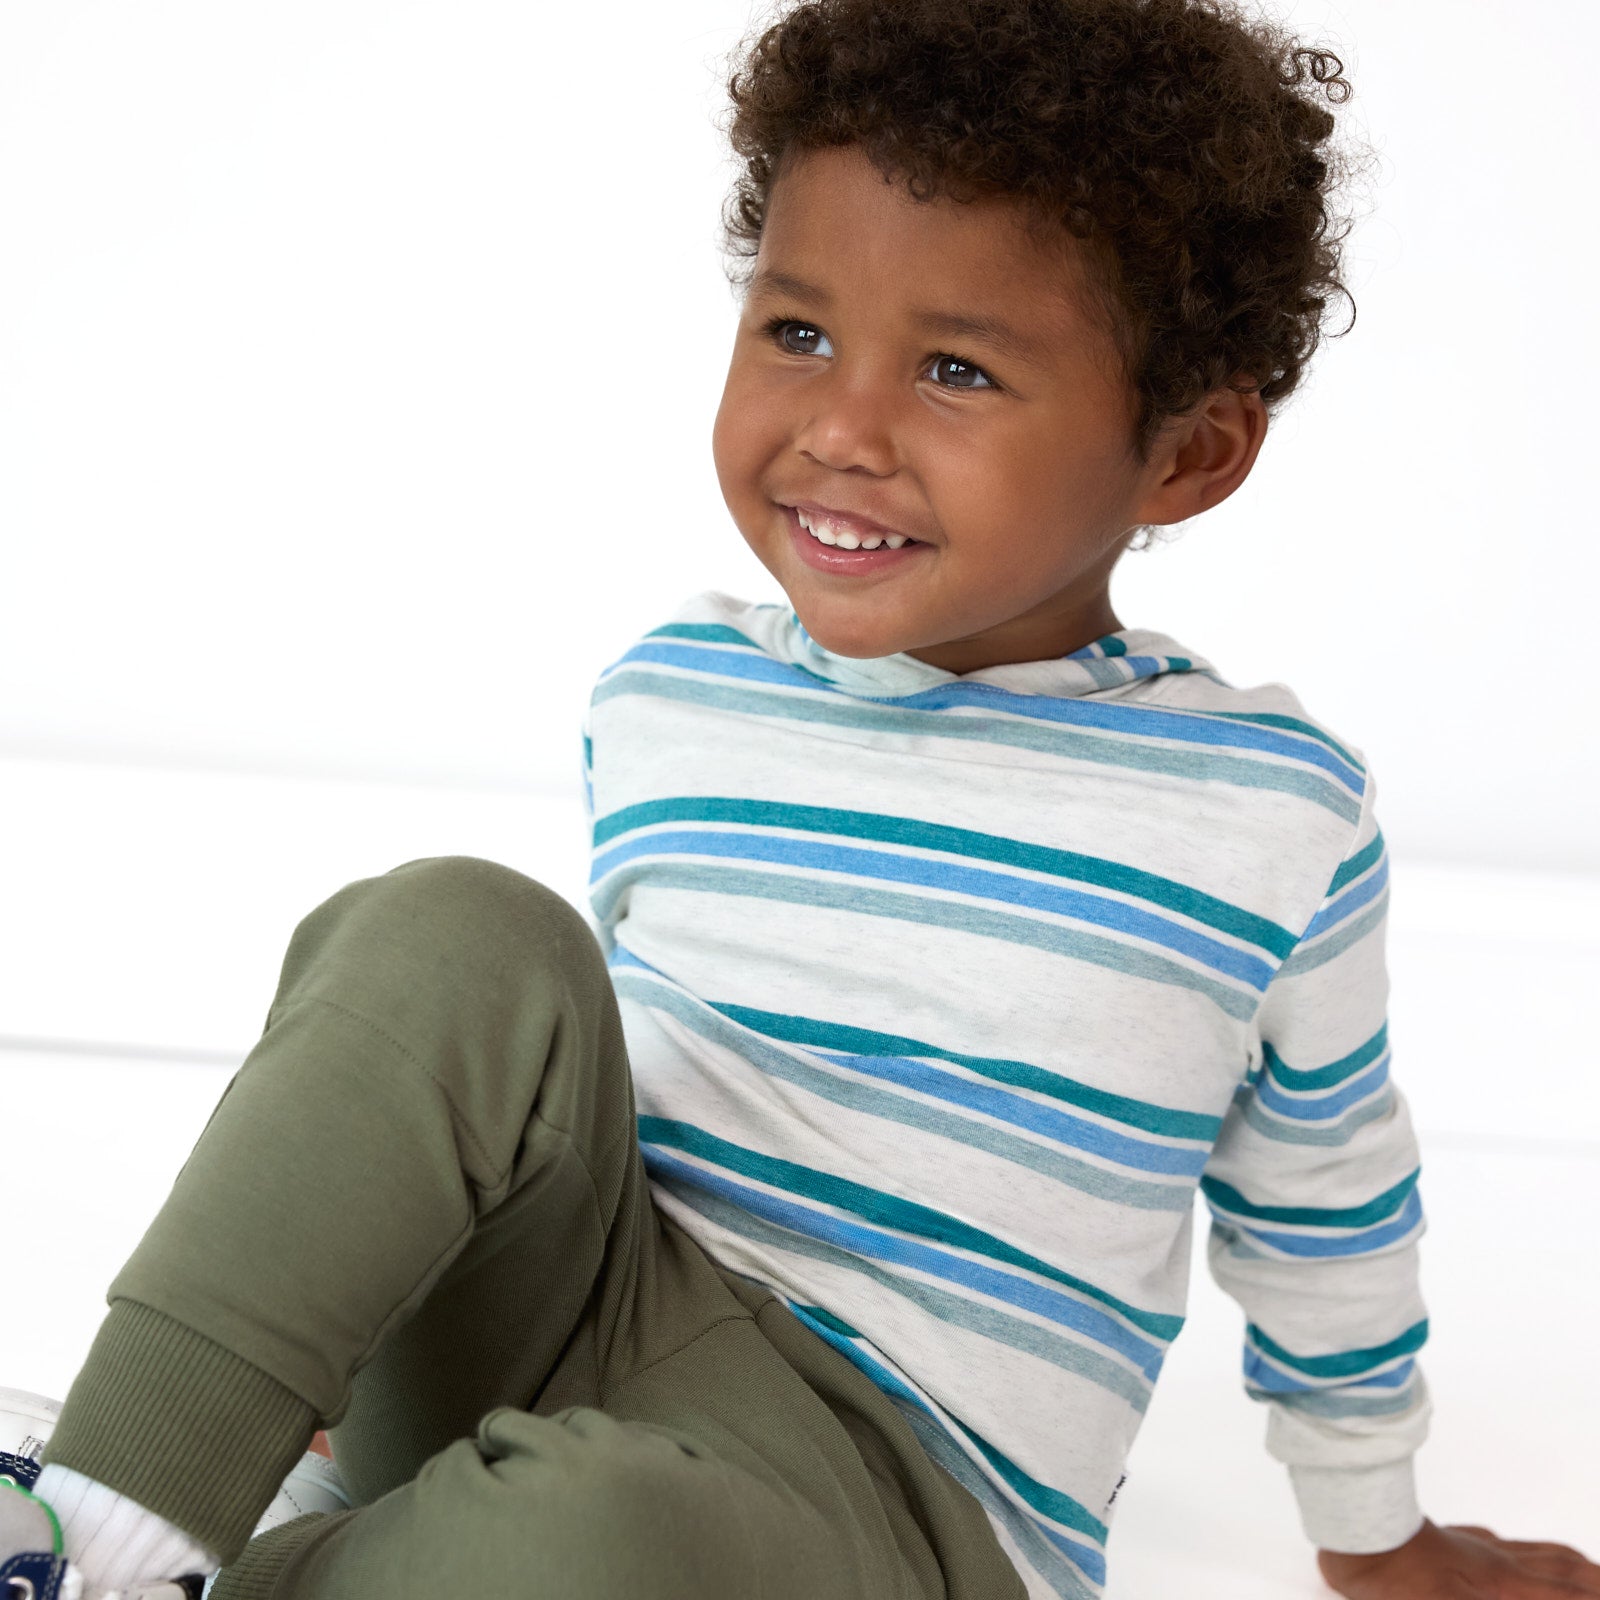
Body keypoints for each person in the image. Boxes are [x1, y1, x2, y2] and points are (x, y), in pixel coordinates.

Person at [5, 1, 1596, 1597]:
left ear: (1188, 453)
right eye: (798, 333)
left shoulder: (1266, 811)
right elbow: (494, 1109)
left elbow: (1325, 1207)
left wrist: (1380, 1536)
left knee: (592, 1529)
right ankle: (113, 1527)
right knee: (448, 928)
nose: (844, 430)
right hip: (580, 1316)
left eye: (958, 369)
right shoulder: (671, 692)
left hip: (894, 1503)